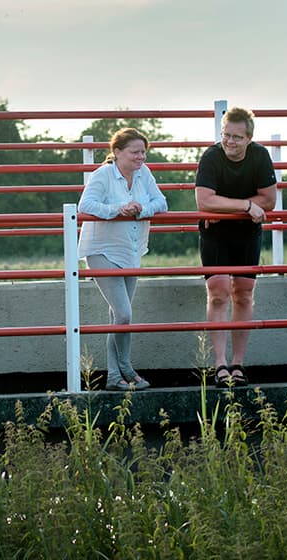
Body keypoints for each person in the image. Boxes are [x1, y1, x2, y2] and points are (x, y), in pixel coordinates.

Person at [78, 127, 168, 391]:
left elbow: (161, 202)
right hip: (103, 250)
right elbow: (86, 205)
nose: (140, 157)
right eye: (135, 152)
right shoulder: (103, 175)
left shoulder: (144, 174)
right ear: (117, 152)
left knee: (118, 317)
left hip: (131, 248)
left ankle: (114, 377)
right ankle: (126, 368)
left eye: (143, 152)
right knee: (124, 314)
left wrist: (141, 210)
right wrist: (118, 210)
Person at [195, 107, 277, 387]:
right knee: (218, 292)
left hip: (247, 232)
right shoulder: (211, 156)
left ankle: (238, 364)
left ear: (249, 139)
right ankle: (219, 364)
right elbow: (204, 201)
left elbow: (269, 200)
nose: (229, 142)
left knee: (243, 294)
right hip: (215, 231)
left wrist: (227, 205)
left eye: (236, 137)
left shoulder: (260, 156)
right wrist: (246, 205)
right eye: (225, 135)